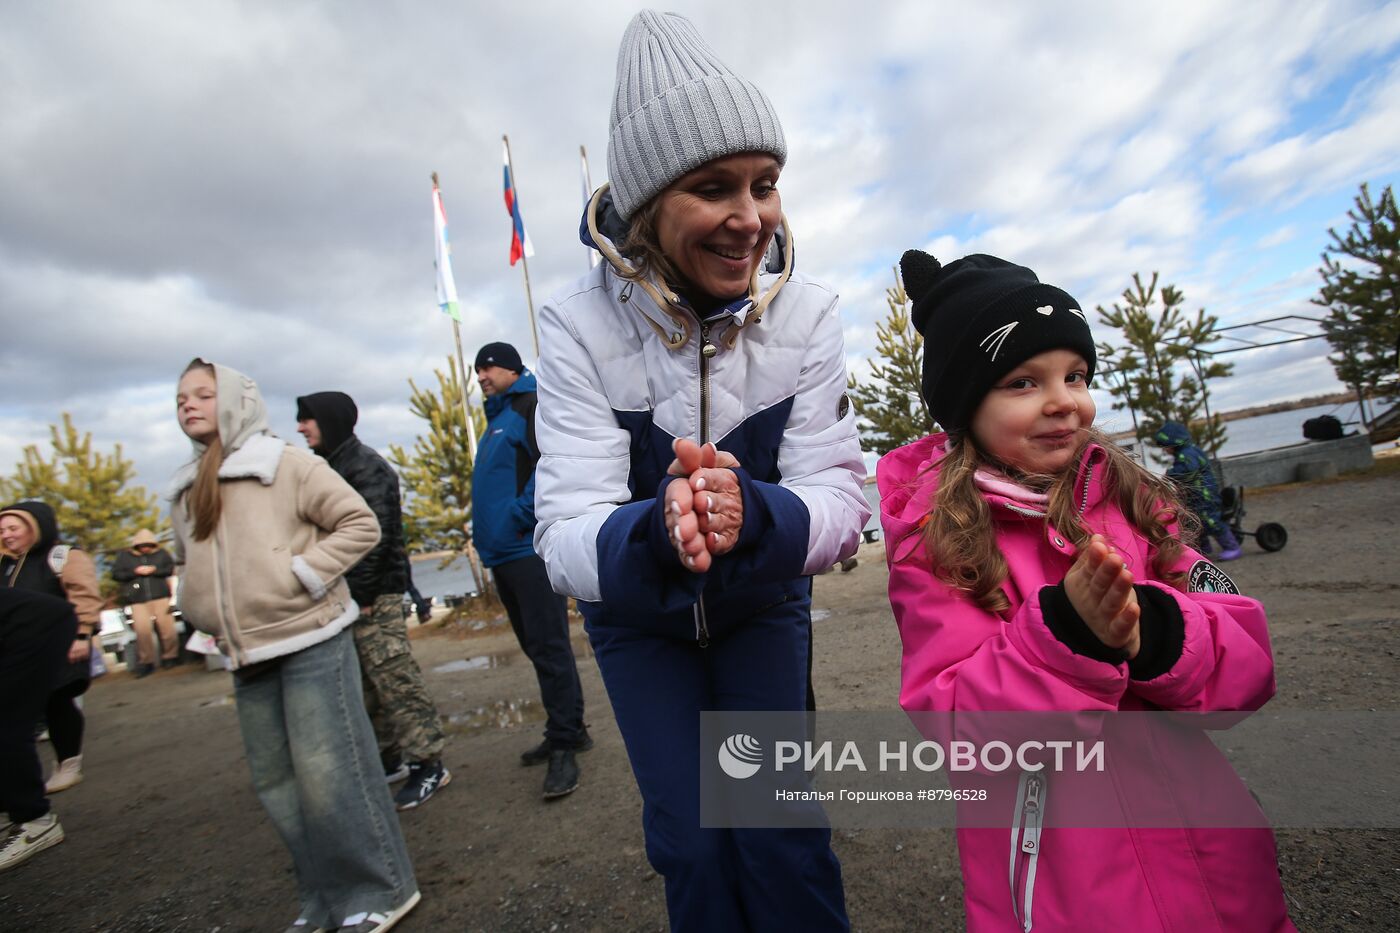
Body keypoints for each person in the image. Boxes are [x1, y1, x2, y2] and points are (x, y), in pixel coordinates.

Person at [532, 11, 868, 930]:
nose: (751, 217)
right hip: (639, 621)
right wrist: (656, 527)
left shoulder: (808, 316)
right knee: (693, 841)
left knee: (777, 829)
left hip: (762, 604)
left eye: (765, 185)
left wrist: (752, 515)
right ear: (646, 206)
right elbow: (561, 529)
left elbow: (842, 492)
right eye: (714, 187)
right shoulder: (573, 326)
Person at [877, 250, 1294, 931]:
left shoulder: (1133, 503)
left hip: (1213, 860)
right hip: (1070, 884)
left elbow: (1246, 658)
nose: (1064, 400)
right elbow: (957, 726)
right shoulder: (941, 542)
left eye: (1075, 374)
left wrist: (1152, 632)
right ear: (965, 404)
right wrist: (1066, 638)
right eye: (1022, 381)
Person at [171, 359, 419, 933]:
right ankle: (324, 898)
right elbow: (188, 564)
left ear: (236, 400)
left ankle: (381, 890)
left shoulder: (283, 464)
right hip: (244, 653)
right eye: (182, 396)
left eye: (204, 394)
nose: (188, 404)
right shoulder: (186, 488)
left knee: (332, 777)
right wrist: (202, 609)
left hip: (310, 639)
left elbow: (360, 524)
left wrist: (302, 576)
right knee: (279, 787)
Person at [295, 391, 450, 810]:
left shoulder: (365, 467)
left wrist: (362, 595)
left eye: (306, 419)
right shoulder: (332, 466)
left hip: (373, 596)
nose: (299, 427)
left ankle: (429, 763)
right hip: (350, 596)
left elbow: (373, 537)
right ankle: (390, 757)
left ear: (329, 420)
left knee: (395, 679)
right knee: (368, 685)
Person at [472, 341, 590, 800]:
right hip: (502, 553)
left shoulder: (530, 405)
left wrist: (522, 516)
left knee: (550, 646)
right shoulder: (497, 416)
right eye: (477, 370)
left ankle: (565, 744)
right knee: (536, 649)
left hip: (527, 548)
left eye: (488, 367)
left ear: (510, 368)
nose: (481, 375)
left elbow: (550, 465)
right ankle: (569, 728)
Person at [0, 500, 103, 794]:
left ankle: (68, 765)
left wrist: (82, 635)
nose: (6, 535)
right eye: (2, 530)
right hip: (18, 651)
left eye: (13, 528)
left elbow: (84, 596)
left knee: (57, 700)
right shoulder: (4, 564)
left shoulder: (62, 557)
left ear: (35, 527)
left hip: (59, 643)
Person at [0, 588, 77, 872]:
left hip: (36, 626)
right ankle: (7, 809)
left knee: (7, 724)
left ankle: (37, 822)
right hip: (24, 626)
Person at [1153, 420, 1243, 560]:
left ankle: (1232, 546)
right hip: (1196, 496)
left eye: (1165, 446)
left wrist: (1170, 474)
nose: (1164, 450)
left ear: (1174, 443)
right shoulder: (1190, 451)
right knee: (1194, 521)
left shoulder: (1187, 455)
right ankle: (1203, 547)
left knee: (1210, 520)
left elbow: (1188, 471)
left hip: (1204, 495)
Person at [110, 528, 179, 676]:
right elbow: (116, 574)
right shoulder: (125, 557)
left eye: (148, 544)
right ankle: (147, 661)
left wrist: (155, 570)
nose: (145, 547)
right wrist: (134, 572)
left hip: (161, 595)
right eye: (142, 545)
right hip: (137, 599)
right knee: (143, 632)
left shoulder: (161, 554)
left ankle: (170, 657)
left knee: (168, 629)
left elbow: (170, 568)